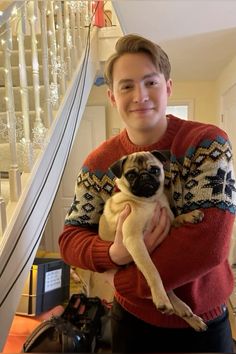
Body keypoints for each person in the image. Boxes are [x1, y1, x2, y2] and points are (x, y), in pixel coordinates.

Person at [59, 34, 236, 352]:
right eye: (126, 86)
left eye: (150, 82)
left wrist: (122, 282)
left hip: (204, 321)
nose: (140, 95)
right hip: (132, 321)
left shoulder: (206, 143)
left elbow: (207, 245)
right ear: (112, 97)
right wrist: (113, 254)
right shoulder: (98, 164)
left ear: (168, 87)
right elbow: (70, 240)